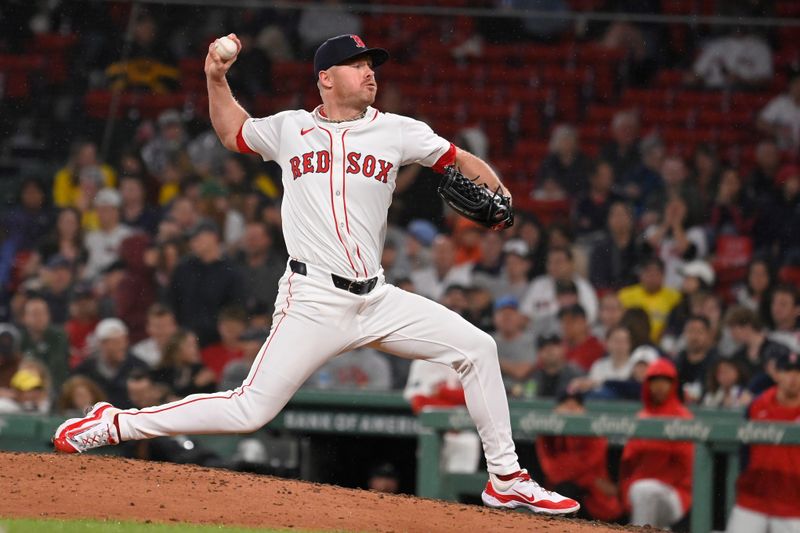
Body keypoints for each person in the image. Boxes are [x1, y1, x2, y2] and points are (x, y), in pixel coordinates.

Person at [54, 34, 579, 514]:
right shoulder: (289, 128)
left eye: (371, 64)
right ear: (326, 78)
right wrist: (216, 78)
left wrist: (501, 194)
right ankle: (114, 423)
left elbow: (458, 158)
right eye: (356, 65)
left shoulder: (398, 131)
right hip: (313, 298)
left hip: (377, 298)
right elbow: (232, 130)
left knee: (478, 349)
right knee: (249, 410)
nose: (369, 72)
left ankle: (506, 477)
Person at [726, 352, 800, 533]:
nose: (793, 377)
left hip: (794, 504)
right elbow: (744, 450)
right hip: (753, 500)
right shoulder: (757, 405)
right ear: (776, 374)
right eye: (787, 371)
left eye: (798, 372)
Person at [619, 358, 693, 529]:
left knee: (644, 490)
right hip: (639, 489)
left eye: (664, 382)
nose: (659, 387)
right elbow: (628, 464)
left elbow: (686, 468)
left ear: (672, 385)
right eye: (655, 382)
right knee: (642, 491)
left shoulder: (683, 417)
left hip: (675, 492)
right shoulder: (642, 416)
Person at [535, 392, 623, 522]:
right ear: (556, 410)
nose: (570, 410)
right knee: (565, 489)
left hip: (595, 500)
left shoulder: (594, 432)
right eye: (566, 406)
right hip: (563, 493)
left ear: (584, 410)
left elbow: (589, 462)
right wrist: (590, 479)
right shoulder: (547, 435)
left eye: (575, 406)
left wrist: (588, 480)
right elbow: (554, 472)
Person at [167, 220, 245, 347]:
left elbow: (235, 308)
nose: (193, 242)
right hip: (185, 340)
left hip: (218, 342)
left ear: (213, 237)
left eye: (198, 237)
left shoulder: (231, 271)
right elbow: (172, 301)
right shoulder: (183, 268)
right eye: (191, 239)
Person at [71, 318, 148, 408]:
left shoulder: (139, 367)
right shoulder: (85, 371)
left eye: (123, 341)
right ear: (102, 344)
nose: (121, 346)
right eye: (115, 342)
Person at [521, 246, 598, 326]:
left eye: (558, 262)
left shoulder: (583, 287)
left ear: (571, 264)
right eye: (550, 262)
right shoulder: (538, 284)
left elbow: (590, 317)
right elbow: (524, 315)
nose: (553, 266)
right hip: (538, 333)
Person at [618, 256, 682, 342]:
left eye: (656, 274)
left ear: (663, 276)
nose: (652, 278)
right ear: (641, 275)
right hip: (632, 341)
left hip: (662, 343)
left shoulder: (674, 297)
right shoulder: (625, 295)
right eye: (648, 274)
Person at [19, 295, 70, 393]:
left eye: (43, 313)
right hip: (27, 388)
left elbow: (57, 364)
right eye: (35, 314)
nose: (39, 318)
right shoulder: (21, 339)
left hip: (56, 386)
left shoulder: (58, 336)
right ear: (25, 318)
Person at [726, 306, 790, 383]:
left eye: (733, 329)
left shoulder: (776, 349)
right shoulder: (738, 356)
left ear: (747, 326)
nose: (732, 335)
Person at [589, 201, 643, 291]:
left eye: (622, 214)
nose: (619, 219)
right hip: (610, 297)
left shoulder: (641, 246)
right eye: (615, 215)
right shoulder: (600, 248)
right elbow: (597, 280)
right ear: (608, 220)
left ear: (631, 218)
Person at [82, 188, 134, 280]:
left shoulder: (128, 235)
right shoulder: (90, 237)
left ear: (117, 211)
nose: (101, 214)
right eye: (99, 210)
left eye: (106, 209)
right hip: (92, 283)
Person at [492, 295, 537, 398]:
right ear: (494, 318)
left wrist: (493, 360)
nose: (507, 317)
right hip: (493, 394)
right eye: (502, 313)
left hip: (523, 395)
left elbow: (521, 372)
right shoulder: (488, 340)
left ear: (520, 318)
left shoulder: (529, 341)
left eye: (511, 313)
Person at [757, 71, 800, 152]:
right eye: (796, 84)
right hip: (783, 150)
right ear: (791, 86)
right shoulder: (781, 102)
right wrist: (777, 131)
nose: (798, 88)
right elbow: (760, 122)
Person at [531, 334, 584, 399]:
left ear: (563, 349)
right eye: (543, 346)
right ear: (538, 353)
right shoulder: (533, 377)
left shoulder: (576, 375)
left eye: (554, 344)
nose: (549, 349)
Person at [559, 304, 605, 372]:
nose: (565, 326)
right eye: (563, 322)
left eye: (570, 322)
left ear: (584, 322)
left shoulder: (597, 347)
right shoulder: (559, 347)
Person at [131, 304, 179, 369]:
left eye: (166, 325)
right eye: (157, 326)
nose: (162, 331)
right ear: (148, 328)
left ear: (174, 327)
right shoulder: (138, 353)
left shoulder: (185, 350)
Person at [767, 284, 800, 353]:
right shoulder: (764, 334)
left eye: (783, 304)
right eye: (774, 303)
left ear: (797, 310)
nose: (776, 308)